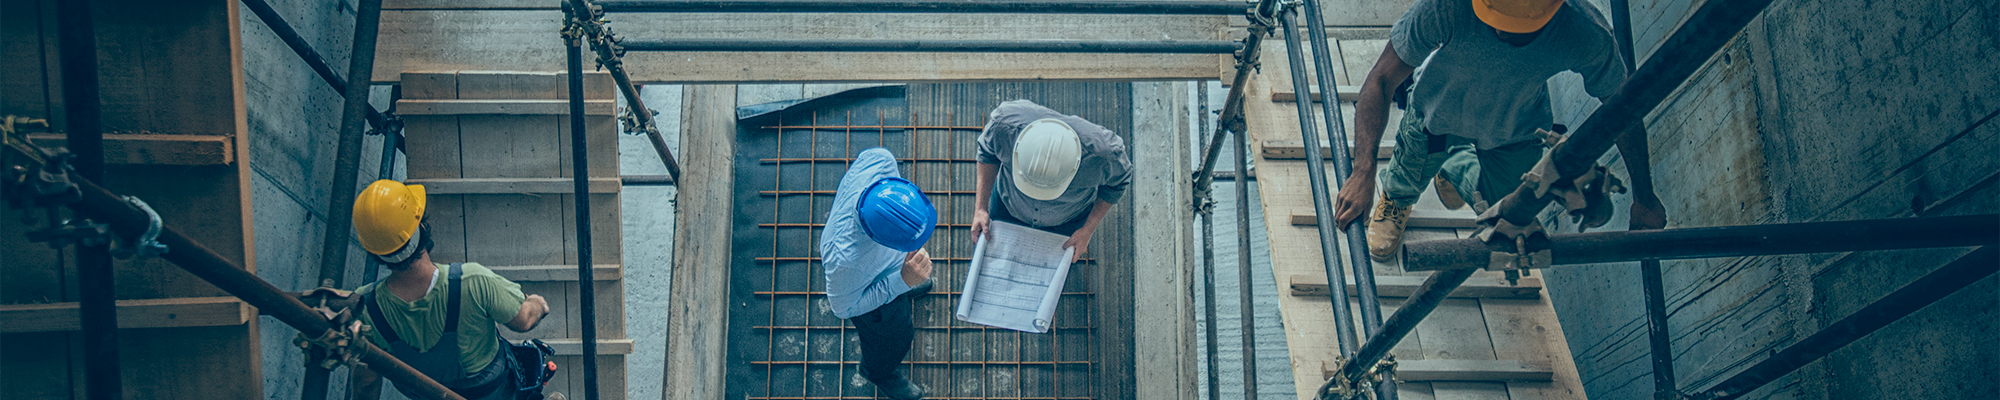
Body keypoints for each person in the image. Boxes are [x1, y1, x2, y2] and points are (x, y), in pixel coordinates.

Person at [1333, 0, 1667, 260]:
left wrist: (1645, 196)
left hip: (1512, 128)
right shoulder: (1448, 6)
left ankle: (1453, 167)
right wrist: (1363, 171)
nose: (1500, 30)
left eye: (1515, 26)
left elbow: (1623, 110)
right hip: (1436, 113)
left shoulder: (1582, 31)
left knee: (1509, 213)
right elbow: (1381, 79)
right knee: (1409, 170)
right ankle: (1397, 200)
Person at [346, 180, 555, 400]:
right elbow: (523, 321)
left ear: (374, 251)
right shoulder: (473, 282)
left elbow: (366, 383)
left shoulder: (365, 308)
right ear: (422, 228)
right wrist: (537, 304)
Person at [819, 148, 937, 400]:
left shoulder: (880, 161)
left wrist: (904, 279)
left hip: (884, 269)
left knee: (904, 292)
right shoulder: (846, 262)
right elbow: (844, 308)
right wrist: (901, 282)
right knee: (896, 336)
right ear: (881, 240)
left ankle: (906, 287)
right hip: (866, 291)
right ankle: (877, 372)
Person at [969, 100, 1133, 262]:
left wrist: (1087, 230)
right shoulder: (1004, 127)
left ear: (1076, 166)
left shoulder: (1105, 156)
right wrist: (981, 209)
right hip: (1008, 206)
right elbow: (987, 153)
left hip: (1067, 220)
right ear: (1018, 148)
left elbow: (1118, 183)